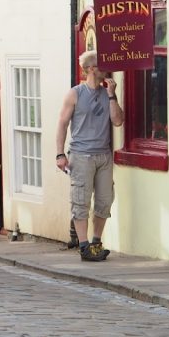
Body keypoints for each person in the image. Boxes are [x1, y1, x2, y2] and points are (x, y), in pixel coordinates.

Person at [55, 50, 123, 262]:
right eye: (102, 65)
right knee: (80, 201)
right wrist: (59, 154)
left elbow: (118, 121)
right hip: (81, 155)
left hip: (103, 155)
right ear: (91, 69)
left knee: (104, 200)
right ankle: (84, 247)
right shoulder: (75, 94)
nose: (106, 69)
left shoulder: (107, 94)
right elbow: (62, 124)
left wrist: (112, 95)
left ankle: (96, 242)